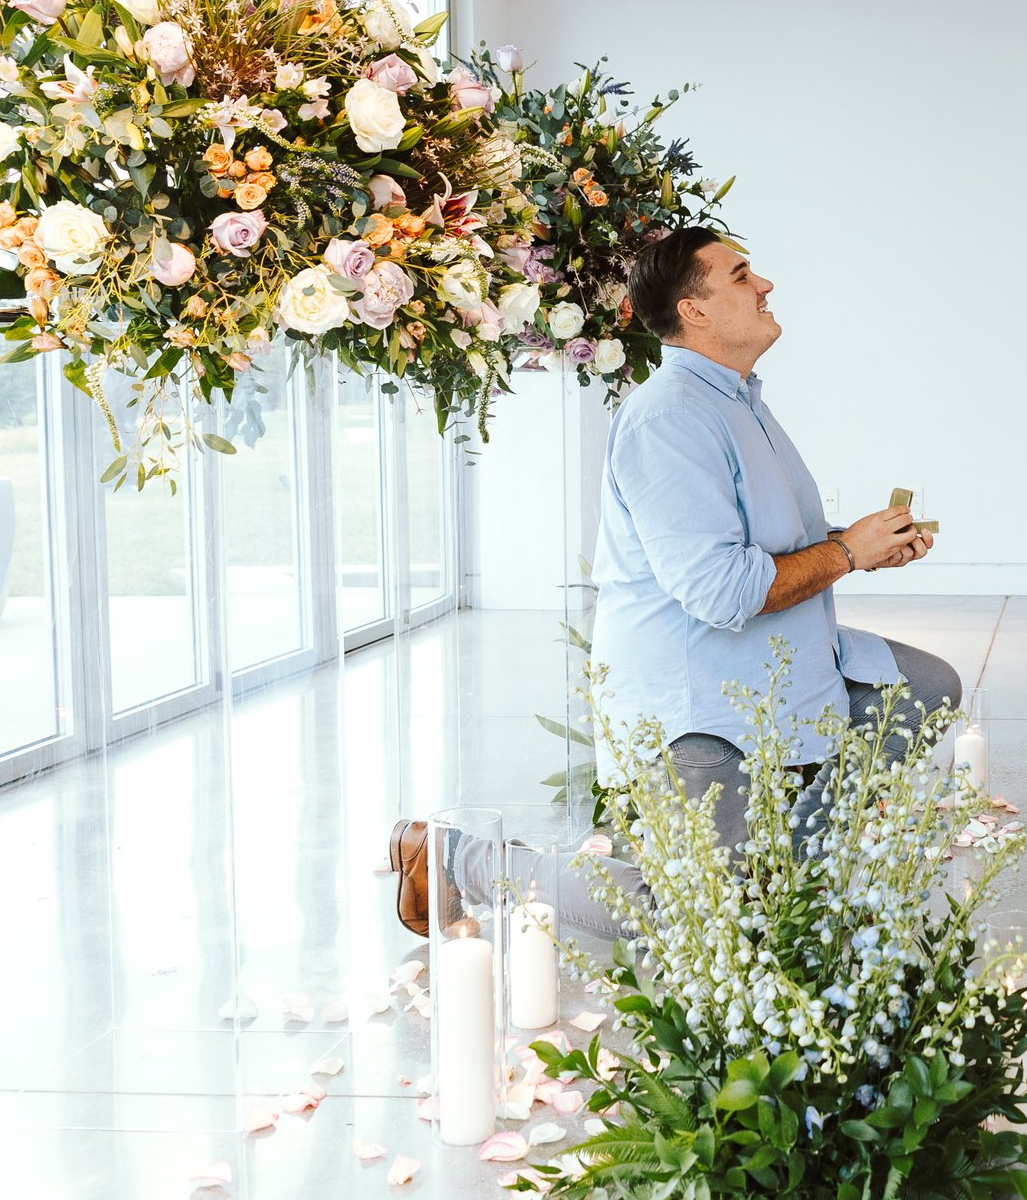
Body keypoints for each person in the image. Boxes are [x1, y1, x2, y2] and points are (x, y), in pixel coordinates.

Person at [388, 226, 958, 937]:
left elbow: (766, 542)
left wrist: (865, 542)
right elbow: (720, 589)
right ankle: (458, 856)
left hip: (774, 667)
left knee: (926, 688)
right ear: (696, 311)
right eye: (743, 274)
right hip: (701, 709)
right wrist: (845, 552)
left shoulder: (740, 399)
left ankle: (780, 860)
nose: (766, 285)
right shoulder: (669, 416)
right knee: (700, 922)